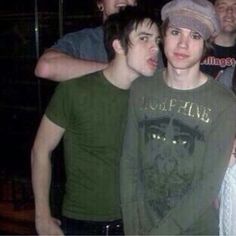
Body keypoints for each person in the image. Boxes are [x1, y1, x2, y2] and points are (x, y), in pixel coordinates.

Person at [31, 6, 160, 236]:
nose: (155, 47)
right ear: (118, 45)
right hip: (83, 224)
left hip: (136, 222)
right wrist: (42, 216)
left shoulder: (150, 97)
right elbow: (41, 150)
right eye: (144, 38)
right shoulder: (74, 90)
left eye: (157, 40)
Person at [120, 0, 236, 235]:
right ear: (163, 36)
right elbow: (129, 160)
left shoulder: (224, 102)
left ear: (205, 45)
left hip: (196, 229)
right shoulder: (141, 89)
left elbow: (208, 185)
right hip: (142, 225)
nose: (183, 44)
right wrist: (132, 225)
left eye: (194, 35)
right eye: (175, 32)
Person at [34, 0, 164, 81]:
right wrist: (116, 71)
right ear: (100, 3)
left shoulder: (151, 43)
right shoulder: (83, 40)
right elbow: (45, 67)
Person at [200, 0, 236, 79]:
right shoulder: (196, 48)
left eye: (235, 7)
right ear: (213, 14)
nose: (229, 11)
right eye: (222, 7)